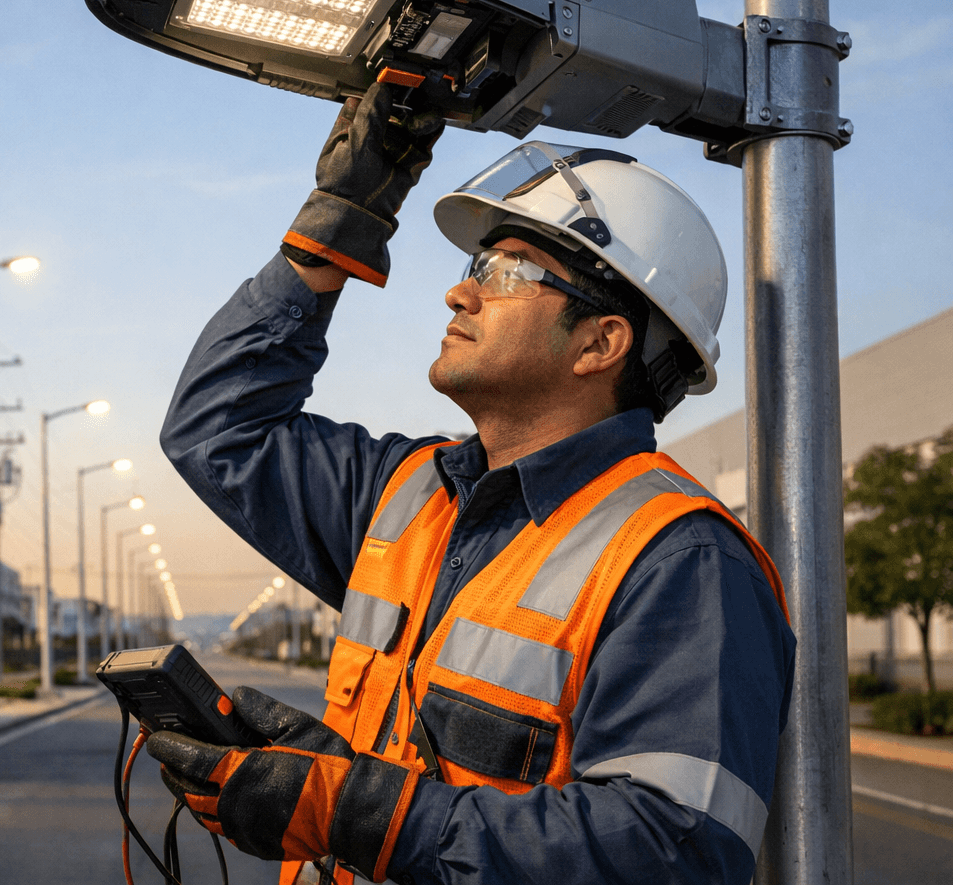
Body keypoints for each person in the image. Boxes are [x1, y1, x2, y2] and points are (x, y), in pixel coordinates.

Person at [150, 82, 796, 885]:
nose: (461, 290)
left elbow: (670, 850)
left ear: (600, 342)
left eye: (508, 271)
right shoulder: (408, 494)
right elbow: (220, 430)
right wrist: (339, 218)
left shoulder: (681, 562)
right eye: (472, 265)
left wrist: (358, 812)